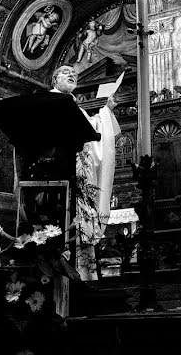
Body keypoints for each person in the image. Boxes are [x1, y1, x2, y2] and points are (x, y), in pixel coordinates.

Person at [50, 65, 120, 280]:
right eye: (65, 72)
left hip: (76, 174)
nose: (72, 75)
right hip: (58, 172)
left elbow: (92, 131)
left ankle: (82, 276)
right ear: (54, 79)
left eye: (74, 74)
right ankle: (67, 276)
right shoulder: (50, 102)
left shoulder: (73, 105)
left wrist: (106, 111)